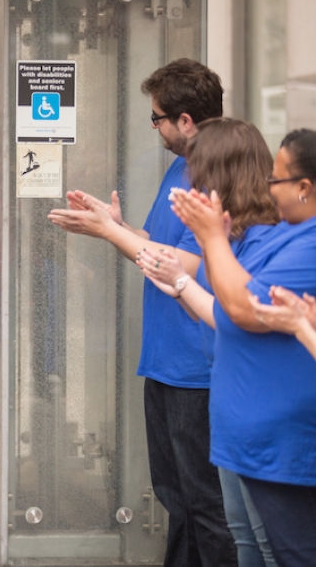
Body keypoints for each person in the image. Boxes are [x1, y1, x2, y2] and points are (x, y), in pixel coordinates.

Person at [47, 58, 236, 567]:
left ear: (186, 121)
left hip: (197, 366)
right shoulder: (180, 166)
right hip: (166, 360)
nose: (154, 128)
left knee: (206, 503)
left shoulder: (217, 174)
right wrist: (116, 225)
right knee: (177, 497)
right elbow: (156, 245)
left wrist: (111, 234)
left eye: (157, 119)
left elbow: (186, 266)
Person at [135, 118, 279, 567]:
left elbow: (234, 313)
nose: (191, 179)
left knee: (252, 533)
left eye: (199, 170)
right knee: (236, 526)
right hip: (229, 395)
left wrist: (183, 272)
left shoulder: (266, 240)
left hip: (252, 402)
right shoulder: (232, 234)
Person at [170, 128, 316, 567]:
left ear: (305, 187)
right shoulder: (293, 233)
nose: (271, 190)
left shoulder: (301, 241)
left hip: (285, 444)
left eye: (279, 180)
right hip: (256, 439)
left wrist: (212, 242)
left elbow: (240, 307)